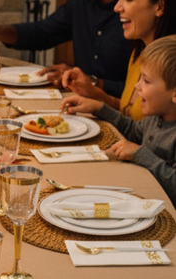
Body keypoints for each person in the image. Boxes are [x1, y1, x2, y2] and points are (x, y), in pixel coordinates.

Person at [60, 35, 176, 204]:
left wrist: (140, 154)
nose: (138, 86)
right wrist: (99, 108)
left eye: (146, 81)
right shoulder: (156, 118)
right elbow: (132, 131)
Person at [0, 0, 133, 97]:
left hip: (122, 110)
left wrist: (92, 82)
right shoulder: (80, 4)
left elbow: (142, 91)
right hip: (80, 101)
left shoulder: (136, 16)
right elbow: (42, 33)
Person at [62, 0, 176, 121]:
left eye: (128, 0)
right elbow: (130, 113)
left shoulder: (171, 62)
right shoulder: (137, 53)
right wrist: (94, 94)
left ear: (159, 7)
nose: (117, 8)